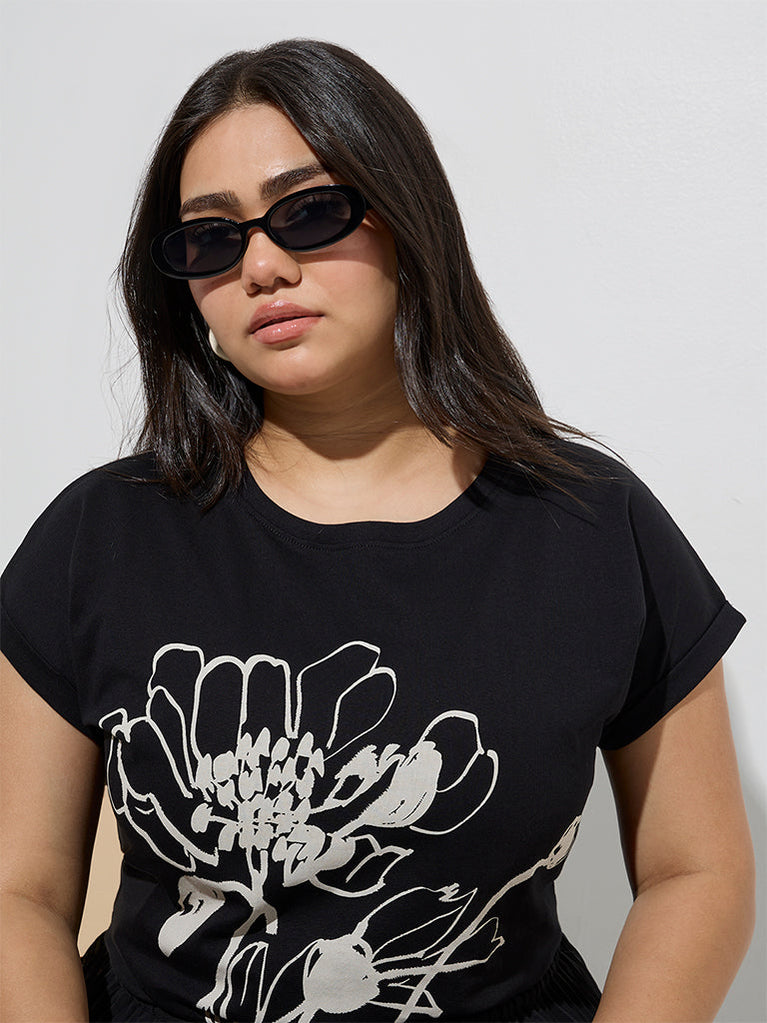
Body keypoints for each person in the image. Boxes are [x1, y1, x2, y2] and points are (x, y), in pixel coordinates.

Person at [0, 38, 755, 1023]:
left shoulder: (591, 524)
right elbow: (20, 891)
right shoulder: (100, 536)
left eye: (308, 212)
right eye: (210, 239)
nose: (261, 266)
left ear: (406, 219)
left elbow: (696, 869)